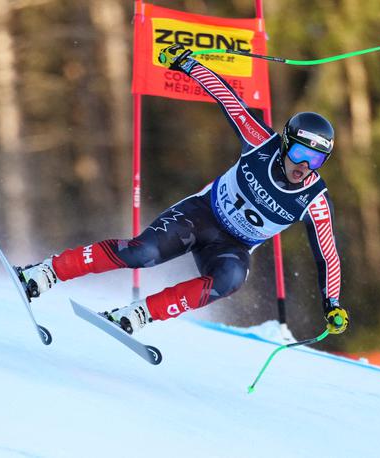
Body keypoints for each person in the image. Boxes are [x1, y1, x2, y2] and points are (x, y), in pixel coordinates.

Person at [17, 44, 348, 337]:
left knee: (231, 279)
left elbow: (328, 255)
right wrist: (186, 64)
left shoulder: (315, 200)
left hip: (233, 246)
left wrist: (331, 303)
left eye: (317, 158)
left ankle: (138, 315)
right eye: (300, 153)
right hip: (200, 216)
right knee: (140, 253)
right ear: (286, 143)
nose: (304, 165)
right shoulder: (261, 142)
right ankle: (44, 273)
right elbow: (227, 99)